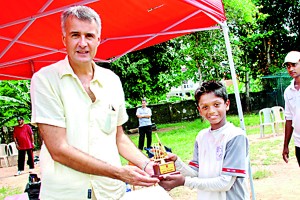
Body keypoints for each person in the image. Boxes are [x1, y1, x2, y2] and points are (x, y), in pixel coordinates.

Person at [30, 5, 158, 199]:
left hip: (110, 191)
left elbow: (119, 137)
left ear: (98, 39)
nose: (83, 43)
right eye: (75, 35)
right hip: (66, 193)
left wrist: (147, 164)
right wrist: (118, 173)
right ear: (64, 39)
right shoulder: (45, 79)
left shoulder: (112, 80)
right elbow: (59, 149)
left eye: (89, 36)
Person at [159, 81, 249, 199]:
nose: (211, 111)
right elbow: (196, 173)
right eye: (205, 107)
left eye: (216, 104)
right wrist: (176, 162)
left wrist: (184, 182)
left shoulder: (235, 136)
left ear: (226, 104)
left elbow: (225, 183)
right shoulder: (201, 137)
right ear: (200, 110)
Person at [282, 51, 300, 167]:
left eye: (294, 65)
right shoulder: (288, 91)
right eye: (288, 66)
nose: (291, 69)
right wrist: (285, 145)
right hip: (299, 142)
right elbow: (289, 119)